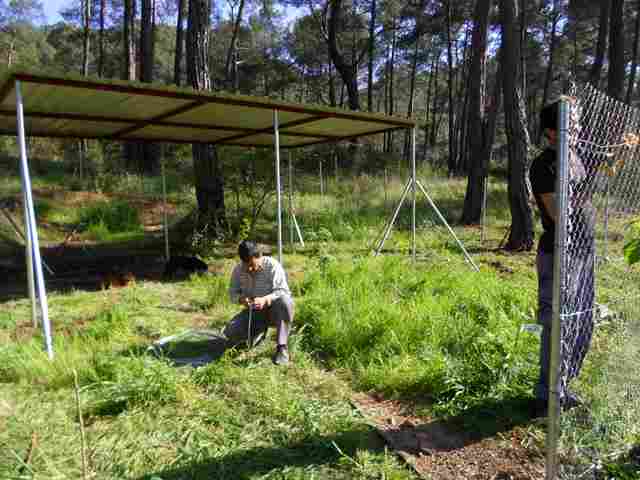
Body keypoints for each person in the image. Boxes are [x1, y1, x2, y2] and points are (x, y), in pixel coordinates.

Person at [529, 101, 596, 417]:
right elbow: (558, 214)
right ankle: (546, 396)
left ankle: (564, 386)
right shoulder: (544, 165)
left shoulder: (577, 158)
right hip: (559, 254)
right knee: (557, 324)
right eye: (574, 123)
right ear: (553, 132)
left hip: (584, 252)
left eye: (580, 122)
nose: (580, 129)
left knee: (582, 321)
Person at [225, 240, 294, 365]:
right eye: (246, 265)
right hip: (254, 312)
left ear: (260, 256)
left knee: (285, 302)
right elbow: (232, 293)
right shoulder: (238, 269)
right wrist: (241, 299)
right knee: (230, 332)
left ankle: (282, 347)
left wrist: (265, 299)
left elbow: (283, 291)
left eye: (252, 265)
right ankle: (259, 333)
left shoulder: (272, 266)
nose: (250, 269)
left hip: (274, 311)